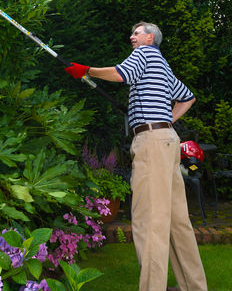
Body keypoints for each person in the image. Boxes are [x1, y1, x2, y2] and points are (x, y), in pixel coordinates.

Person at [65, 22, 207, 291]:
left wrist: (87, 71)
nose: (131, 37)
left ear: (150, 37)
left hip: (152, 143)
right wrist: (167, 121)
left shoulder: (144, 53)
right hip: (167, 141)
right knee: (178, 222)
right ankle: (194, 287)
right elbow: (188, 97)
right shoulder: (162, 64)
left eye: (136, 33)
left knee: (148, 220)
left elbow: (121, 74)